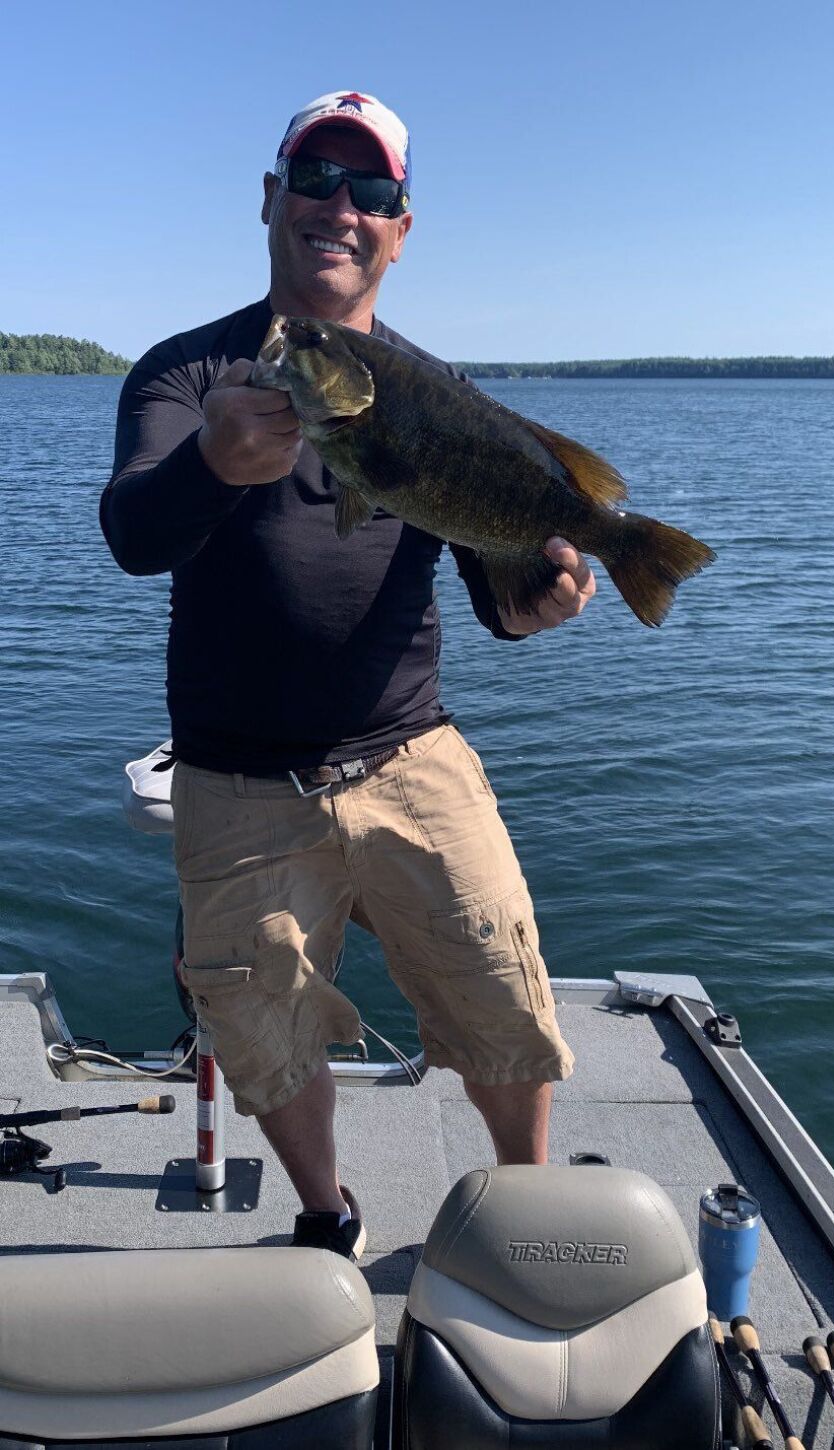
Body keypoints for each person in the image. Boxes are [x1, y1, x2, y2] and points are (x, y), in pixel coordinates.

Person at [100, 91, 595, 1260]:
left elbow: (497, 597)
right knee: (265, 1032)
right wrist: (219, 463)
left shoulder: (436, 396)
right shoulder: (185, 376)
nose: (341, 207)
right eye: (316, 178)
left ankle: (518, 1206)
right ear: (271, 199)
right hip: (236, 781)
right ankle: (328, 1217)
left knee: (502, 998)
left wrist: (547, 597)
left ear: (400, 229)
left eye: (371, 192)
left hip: (414, 755)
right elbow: (134, 535)